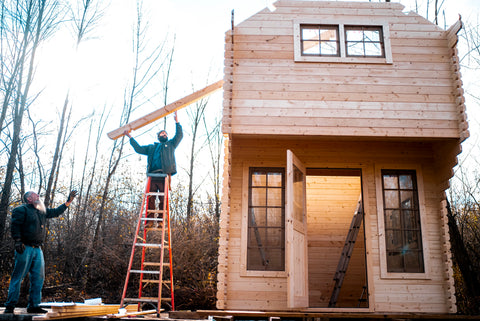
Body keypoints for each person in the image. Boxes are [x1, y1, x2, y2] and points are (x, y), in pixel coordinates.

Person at [4, 190, 77, 314]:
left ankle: (34, 305)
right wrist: (17, 240)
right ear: (29, 199)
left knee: (38, 278)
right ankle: (10, 306)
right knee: (18, 277)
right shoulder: (21, 210)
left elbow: (55, 212)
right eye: (34, 195)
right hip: (24, 248)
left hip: (37, 249)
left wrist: (68, 202)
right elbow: (15, 225)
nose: (38, 196)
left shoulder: (41, 210)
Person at [124, 111, 183, 211]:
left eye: (165, 134)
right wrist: (130, 137)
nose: (164, 134)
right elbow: (139, 148)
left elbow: (179, 135)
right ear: (158, 137)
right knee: (151, 197)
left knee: (162, 198)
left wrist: (177, 122)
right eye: (162, 133)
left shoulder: (170, 145)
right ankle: (150, 221)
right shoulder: (152, 148)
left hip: (165, 175)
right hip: (153, 175)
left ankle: (160, 221)